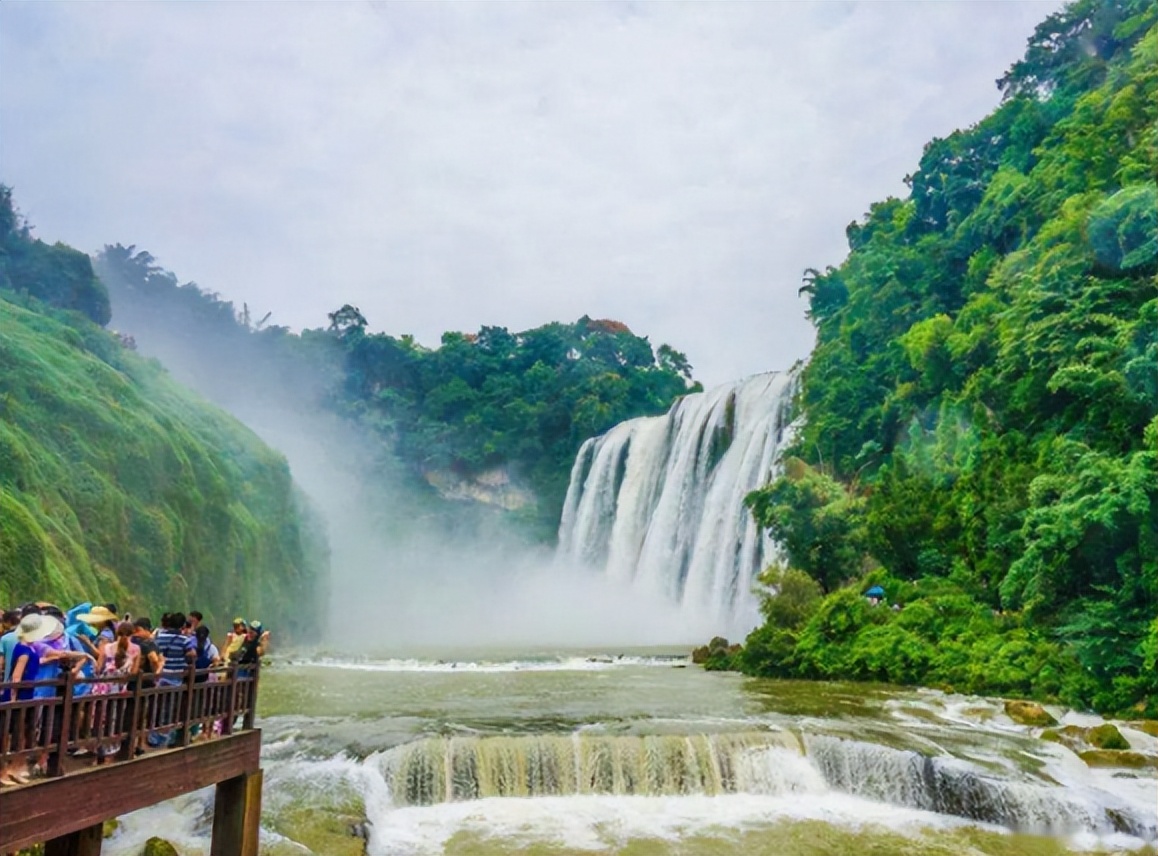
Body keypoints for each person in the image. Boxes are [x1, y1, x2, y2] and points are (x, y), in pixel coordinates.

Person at [0, 615, 48, 786]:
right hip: (18, 696)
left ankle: (15, 767)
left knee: (21, 734)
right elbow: (16, 676)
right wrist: (13, 698)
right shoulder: (23, 650)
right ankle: (3, 771)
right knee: (8, 734)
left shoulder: (31, 648)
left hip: (27, 695)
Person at [92, 622, 141, 763]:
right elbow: (134, 673)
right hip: (120, 689)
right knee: (114, 721)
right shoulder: (136, 649)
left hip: (103, 689)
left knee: (99, 720)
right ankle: (110, 752)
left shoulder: (106, 648)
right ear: (132, 634)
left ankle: (97, 752)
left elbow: (98, 669)